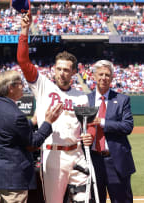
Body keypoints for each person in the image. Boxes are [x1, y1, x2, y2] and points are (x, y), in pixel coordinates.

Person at [18, 13, 91, 202]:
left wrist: (89, 133)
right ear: (53, 69)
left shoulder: (81, 96)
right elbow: (23, 62)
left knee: (84, 200)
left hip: (77, 154)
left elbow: (87, 124)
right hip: (53, 155)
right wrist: (24, 30)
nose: (61, 73)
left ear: (74, 72)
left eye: (66, 70)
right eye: (58, 69)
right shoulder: (43, 86)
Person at [0, 70, 63, 203]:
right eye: (20, 83)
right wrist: (48, 122)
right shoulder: (16, 115)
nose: (23, 87)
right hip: (14, 180)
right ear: (11, 87)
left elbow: (9, 129)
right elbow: (33, 143)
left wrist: (32, 122)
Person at [86, 60, 135, 203]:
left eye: (107, 75)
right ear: (94, 76)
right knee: (94, 200)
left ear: (112, 78)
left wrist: (102, 122)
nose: (103, 77)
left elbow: (127, 126)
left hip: (116, 161)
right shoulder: (85, 100)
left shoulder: (122, 100)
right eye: (100, 74)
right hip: (93, 160)